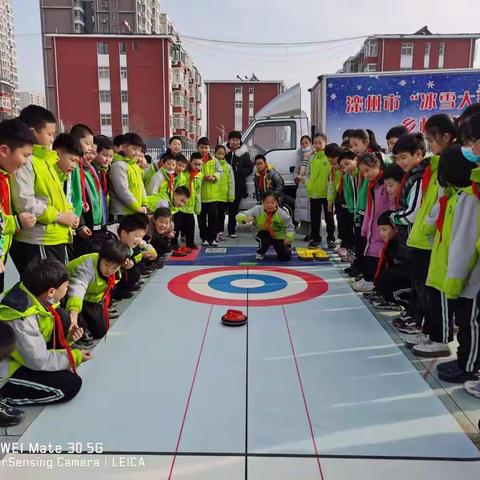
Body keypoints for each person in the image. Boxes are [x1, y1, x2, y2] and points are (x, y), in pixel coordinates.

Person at [416, 146, 480, 378]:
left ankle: (469, 367)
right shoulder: (458, 197)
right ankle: (464, 361)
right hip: (457, 274)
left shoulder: (470, 200)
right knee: (465, 322)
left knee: (470, 323)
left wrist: (454, 280)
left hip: (468, 278)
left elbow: (464, 244)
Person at [0, 260, 90, 406]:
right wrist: (74, 357)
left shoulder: (35, 296)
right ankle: (4, 396)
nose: (67, 289)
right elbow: (38, 359)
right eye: (66, 286)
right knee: (70, 385)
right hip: (7, 369)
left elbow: (43, 338)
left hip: (22, 355)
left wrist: (68, 339)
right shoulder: (21, 318)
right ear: (51, 292)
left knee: (62, 316)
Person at [400, 115, 456, 342]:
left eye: (431, 140)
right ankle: (431, 334)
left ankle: (440, 338)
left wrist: (427, 227)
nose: (430, 145)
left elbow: (439, 206)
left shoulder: (451, 165)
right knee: (427, 290)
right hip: (422, 236)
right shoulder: (433, 166)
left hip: (434, 240)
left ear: (446, 136)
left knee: (437, 293)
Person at [10, 105, 79, 274]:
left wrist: (69, 214)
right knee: (44, 292)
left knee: (53, 291)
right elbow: (25, 202)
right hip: (39, 239)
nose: (51, 139)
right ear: (33, 132)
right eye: (49, 134)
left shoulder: (46, 160)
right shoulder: (27, 162)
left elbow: (56, 197)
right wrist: (60, 216)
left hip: (54, 237)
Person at [389, 133, 428, 334]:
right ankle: (413, 315)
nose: (400, 162)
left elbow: (412, 213)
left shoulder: (420, 177)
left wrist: (394, 218)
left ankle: (418, 321)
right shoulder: (412, 175)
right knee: (415, 281)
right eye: (397, 158)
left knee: (420, 283)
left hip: (420, 240)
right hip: (412, 238)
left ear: (418, 153)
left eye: (403, 157)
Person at [66, 239, 128, 344]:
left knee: (100, 331)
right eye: (107, 264)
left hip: (90, 299)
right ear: (100, 257)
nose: (110, 270)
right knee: (80, 327)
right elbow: (77, 289)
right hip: (69, 297)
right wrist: (73, 314)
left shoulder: (116, 270)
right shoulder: (86, 267)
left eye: (115, 267)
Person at [0, 119, 37, 293]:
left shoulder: (5, 177)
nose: (26, 162)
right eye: (25, 155)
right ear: (4, 150)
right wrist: (16, 222)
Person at [352, 153, 390, 293]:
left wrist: (389, 224)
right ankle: (369, 279)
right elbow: (369, 208)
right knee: (370, 253)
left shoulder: (385, 183)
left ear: (377, 165)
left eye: (367, 171)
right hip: (372, 227)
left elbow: (392, 205)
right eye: (362, 172)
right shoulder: (372, 185)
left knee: (378, 256)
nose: (365, 174)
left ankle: (374, 282)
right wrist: (365, 227)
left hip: (383, 227)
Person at [236, 191, 294, 261]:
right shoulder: (257, 209)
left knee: (286, 257)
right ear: (262, 202)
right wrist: (244, 219)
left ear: (276, 203)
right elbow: (239, 215)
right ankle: (260, 252)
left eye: (272, 203)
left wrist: (289, 237)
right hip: (261, 233)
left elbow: (289, 227)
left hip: (278, 236)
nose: (270, 205)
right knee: (266, 238)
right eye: (267, 202)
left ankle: (287, 248)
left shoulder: (283, 214)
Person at [371, 210, 410, 310]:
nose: (381, 233)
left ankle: (400, 302)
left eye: (384, 229)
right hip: (399, 281)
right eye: (380, 230)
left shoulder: (403, 247)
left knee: (387, 277)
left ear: (396, 228)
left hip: (408, 284)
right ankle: (389, 298)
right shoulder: (390, 244)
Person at [108, 132, 149, 219]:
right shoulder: (118, 165)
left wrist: (145, 204)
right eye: (134, 149)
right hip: (121, 213)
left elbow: (141, 187)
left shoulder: (135, 166)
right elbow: (122, 190)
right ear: (123, 147)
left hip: (135, 212)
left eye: (139, 150)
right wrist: (137, 207)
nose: (137, 152)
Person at [307, 133, 335, 248]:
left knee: (329, 218)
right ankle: (315, 238)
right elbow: (307, 173)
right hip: (314, 193)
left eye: (320, 142)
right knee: (315, 219)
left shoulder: (329, 157)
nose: (317, 145)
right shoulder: (311, 157)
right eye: (315, 143)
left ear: (325, 143)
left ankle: (331, 239)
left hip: (327, 194)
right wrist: (308, 185)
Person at [225, 130, 253, 238]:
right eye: (233, 140)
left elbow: (250, 167)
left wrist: (242, 172)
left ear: (240, 141)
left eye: (237, 140)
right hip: (223, 186)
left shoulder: (243, 154)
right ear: (229, 140)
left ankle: (231, 231)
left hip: (237, 186)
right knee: (221, 209)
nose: (235, 142)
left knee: (233, 210)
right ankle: (219, 232)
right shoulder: (224, 152)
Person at [174, 155, 202, 251]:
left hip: (190, 206)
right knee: (177, 226)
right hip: (180, 206)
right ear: (190, 162)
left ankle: (190, 243)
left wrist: (198, 207)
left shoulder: (199, 175)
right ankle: (173, 243)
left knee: (191, 227)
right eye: (195, 164)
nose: (197, 167)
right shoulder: (183, 174)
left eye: (199, 165)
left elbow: (198, 193)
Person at [197, 137, 222, 247]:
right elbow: (191, 172)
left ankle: (212, 238)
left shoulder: (214, 160)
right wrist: (203, 177)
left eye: (206, 147)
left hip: (213, 195)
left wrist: (215, 177)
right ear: (197, 148)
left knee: (213, 218)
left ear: (209, 148)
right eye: (202, 147)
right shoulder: (195, 160)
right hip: (200, 196)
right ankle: (204, 238)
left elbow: (220, 172)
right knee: (201, 219)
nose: (204, 150)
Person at [294, 135, 314, 240]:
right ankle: (306, 233)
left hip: (310, 186)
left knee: (311, 211)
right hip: (301, 187)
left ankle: (313, 233)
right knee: (303, 212)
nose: (304, 145)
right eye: (302, 143)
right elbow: (297, 170)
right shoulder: (300, 155)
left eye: (306, 142)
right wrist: (296, 177)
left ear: (310, 143)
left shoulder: (314, 154)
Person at [215, 145, 235, 242]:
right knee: (213, 215)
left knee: (221, 216)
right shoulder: (211, 165)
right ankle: (213, 233)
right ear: (215, 153)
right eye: (218, 153)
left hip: (223, 196)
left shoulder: (228, 167)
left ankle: (220, 233)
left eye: (222, 154)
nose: (220, 155)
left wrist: (231, 196)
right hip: (212, 196)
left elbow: (231, 182)